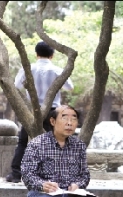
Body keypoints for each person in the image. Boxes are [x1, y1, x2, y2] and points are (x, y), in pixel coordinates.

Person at [21, 105, 98, 197]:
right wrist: (43, 185)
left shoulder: (79, 146)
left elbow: (85, 175)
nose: (70, 123)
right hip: (41, 194)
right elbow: (27, 174)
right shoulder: (37, 144)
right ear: (52, 121)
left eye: (73, 118)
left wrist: (78, 185)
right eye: (65, 117)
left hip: (70, 195)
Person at [6, 41, 74, 183]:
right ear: (52, 55)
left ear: (36, 54)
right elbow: (70, 87)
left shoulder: (28, 69)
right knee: (54, 143)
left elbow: (17, 85)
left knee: (23, 141)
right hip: (52, 111)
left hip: (32, 111)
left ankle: (16, 174)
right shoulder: (57, 70)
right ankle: (54, 175)